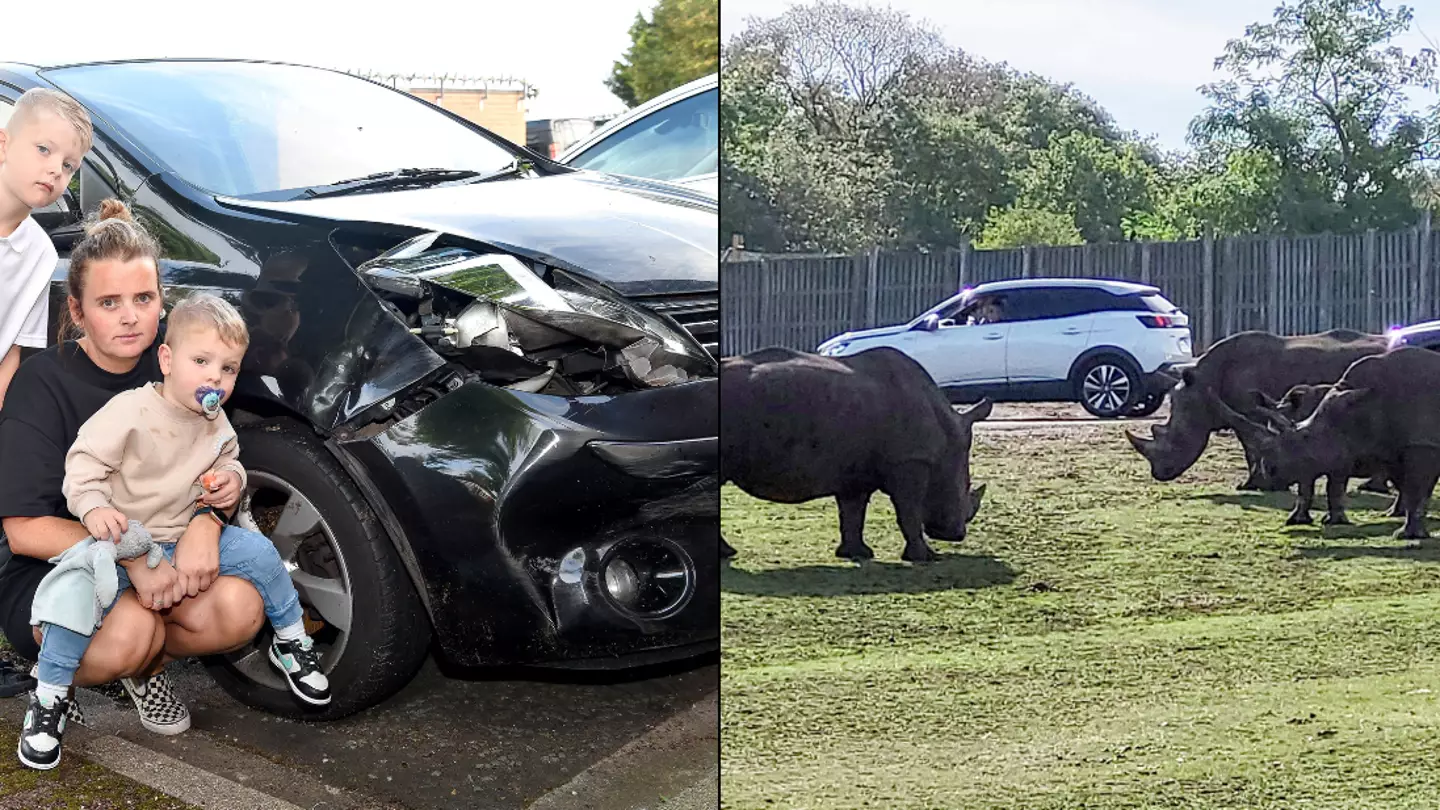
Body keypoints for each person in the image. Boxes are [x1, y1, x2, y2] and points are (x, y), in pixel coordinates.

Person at [15, 290, 332, 769]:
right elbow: (82, 468)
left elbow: (230, 461)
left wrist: (231, 482)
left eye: (228, 368)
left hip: (182, 538)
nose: (215, 377)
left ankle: (291, 641)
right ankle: (49, 695)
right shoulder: (130, 411)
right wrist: (93, 506)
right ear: (166, 359)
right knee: (75, 603)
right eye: (201, 361)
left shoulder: (214, 421)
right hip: (124, 541)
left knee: (260, 553)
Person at [0, 200, 266, 758]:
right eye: (109, 302)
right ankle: (63, 674)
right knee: (130, 633)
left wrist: (209, 519)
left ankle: (145, 668)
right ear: (77, 311)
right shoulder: (41, 383)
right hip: (58, 562)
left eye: (143, 299)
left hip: (161, 549)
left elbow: (218, 460)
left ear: (162, 303)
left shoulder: (180, 363)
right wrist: (134, 556)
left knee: (242, 608)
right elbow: (24, 531)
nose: (129, 317)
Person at [0, 89, 91, 409]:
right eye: (43, 149)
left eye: (68, 165)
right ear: (3, 145)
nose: (56, 170)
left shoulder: (41, 254)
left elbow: (11, 352)